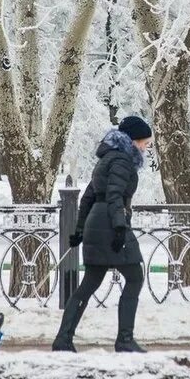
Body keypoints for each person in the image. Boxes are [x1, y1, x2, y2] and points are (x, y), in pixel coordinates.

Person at [52, 115, 152, 353]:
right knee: (135, 277)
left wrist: (80, 230)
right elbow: (115, 196)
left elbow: (88, 197)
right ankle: (124, 340)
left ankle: (63, 339)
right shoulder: (122, 160)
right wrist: (119, 227)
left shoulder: (106, 159)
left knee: (89, 283)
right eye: (145, 142)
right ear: (134, 140)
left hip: (96, 223)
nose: (146, 147)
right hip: (109, 223)